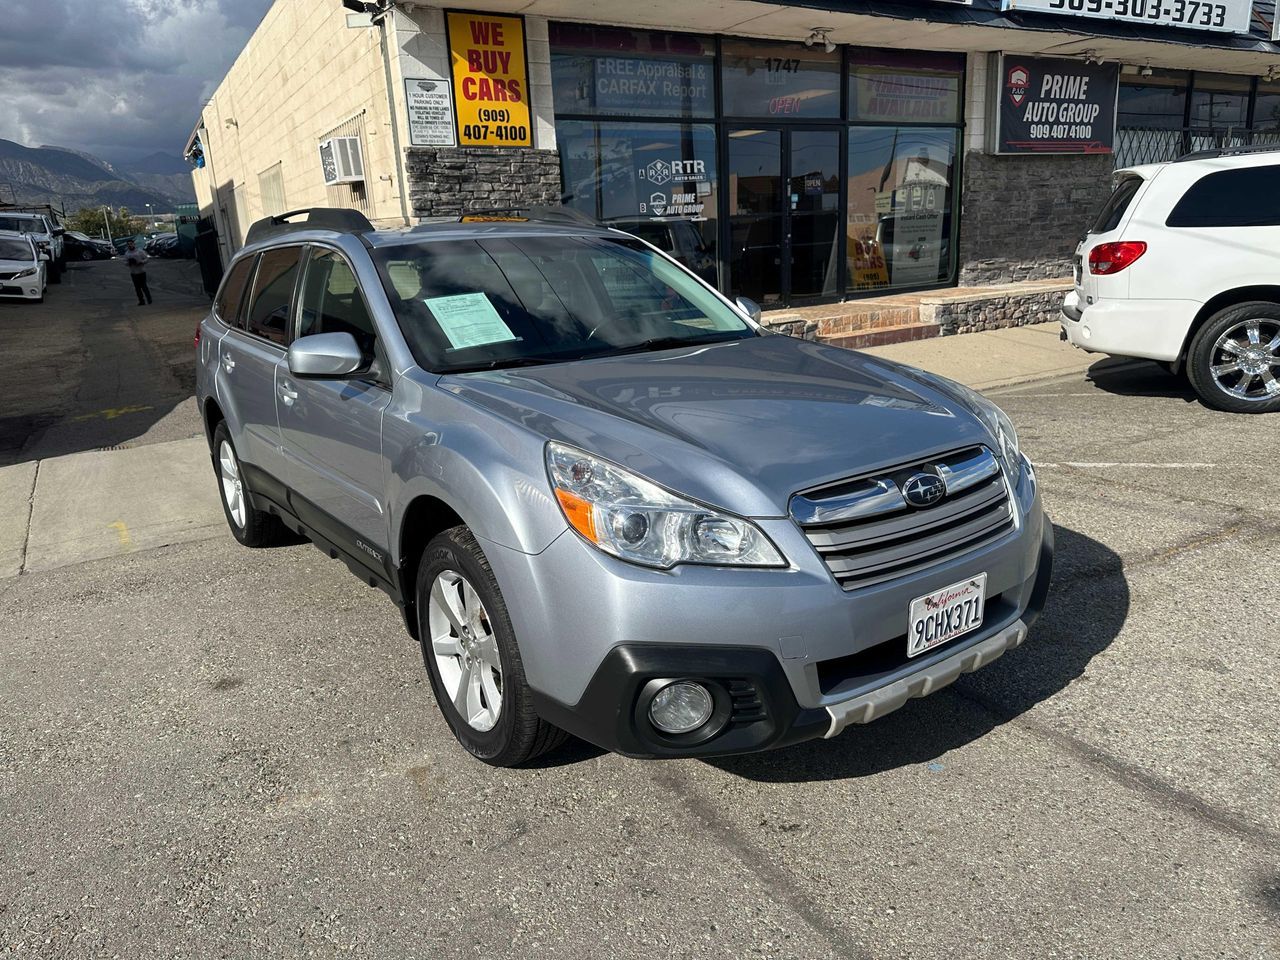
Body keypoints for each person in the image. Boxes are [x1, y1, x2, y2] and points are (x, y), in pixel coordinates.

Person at [124, 239, 152, 305]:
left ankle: (149, 299)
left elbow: (147, 259)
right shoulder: (127, 253)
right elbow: (124, 262)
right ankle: (141, 301)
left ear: (134, 244)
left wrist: (141, 262)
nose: (130, 245)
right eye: (128, 244)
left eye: (131, 244)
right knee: (137, 288)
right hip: (133, 273)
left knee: (144, 286)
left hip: (141, 271)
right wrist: (129, 263)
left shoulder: (140, 251)